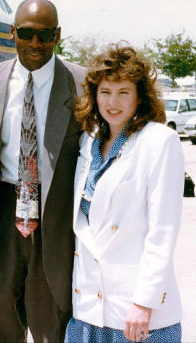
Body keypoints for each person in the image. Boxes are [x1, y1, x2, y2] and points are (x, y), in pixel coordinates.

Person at [0, 0, 85, 342]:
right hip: (3, 212)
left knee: (52, 311)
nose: (36, 43)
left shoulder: (83, 84)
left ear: (58, 35)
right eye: (28, 33)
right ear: (12, 32)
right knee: (1, 304)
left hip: (57, 216)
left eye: (46, 34)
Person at [65, 43, 184, 343]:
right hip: (89, 308)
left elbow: (162, 231)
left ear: (140, 96)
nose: (112, 102)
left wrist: (144, 302)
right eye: (105, 91)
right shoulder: (88, 141)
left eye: (123, 92)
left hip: (136, 312)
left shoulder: (159, 141)